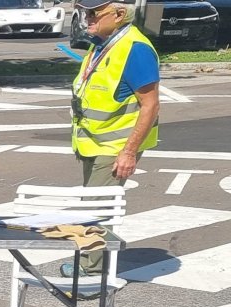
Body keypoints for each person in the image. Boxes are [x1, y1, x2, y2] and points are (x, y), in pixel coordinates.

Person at [63, 0, 158, 276]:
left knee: (97, 207)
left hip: (115, 145)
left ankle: (91, 273)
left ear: (119, 15)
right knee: (93, 204)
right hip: (93, 142)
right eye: (85, 13)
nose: (88, 19)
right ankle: (91, 265)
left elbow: (150, 104)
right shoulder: (102, 44)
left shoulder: (135, 49)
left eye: (94, 13)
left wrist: (129, 152)